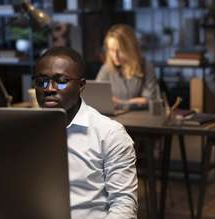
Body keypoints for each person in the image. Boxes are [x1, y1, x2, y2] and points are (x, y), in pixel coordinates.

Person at [33, 47, 138, 219]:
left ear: (81, 86)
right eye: (41, 81)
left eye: (60, 81)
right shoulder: (26, 131)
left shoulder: (110, 134)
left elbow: (123, 205)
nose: (49, 89)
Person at [96, 24, 159, 110]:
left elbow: (149, 100)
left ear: (131, 48)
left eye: (120, 50)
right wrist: (133, 102)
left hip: (140, 120)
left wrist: (120, 102)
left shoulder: (146, 67)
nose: (115, 56)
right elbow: (97, 97)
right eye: (111, 50)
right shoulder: (106, 68)